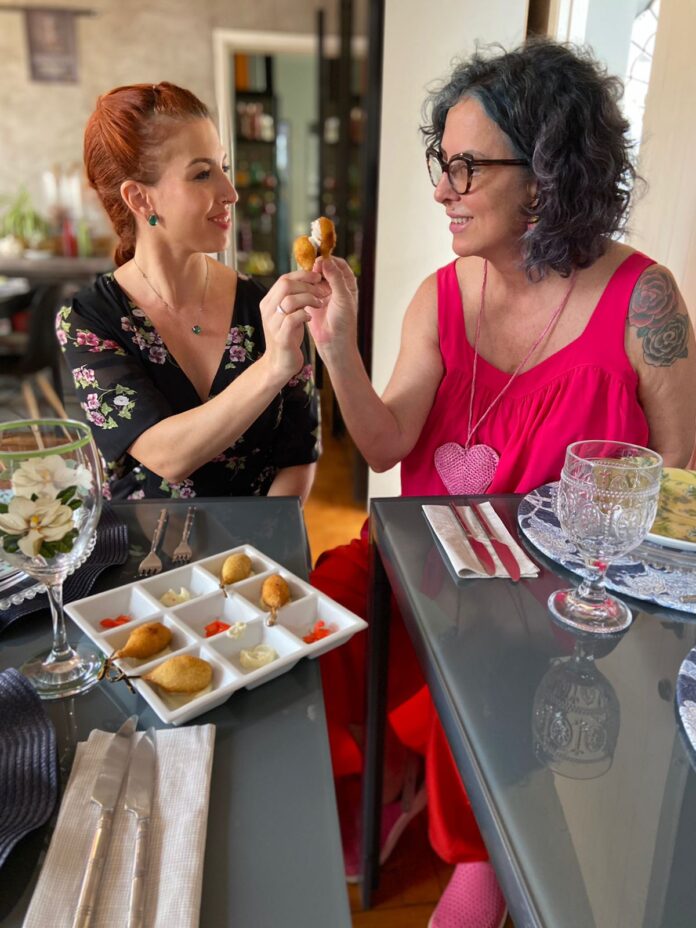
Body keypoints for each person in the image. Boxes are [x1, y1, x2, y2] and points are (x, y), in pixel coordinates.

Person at [306, 39, 696, 928]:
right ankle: (390, 776)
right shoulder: (439, 295)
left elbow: (679, 485)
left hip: (554, 598)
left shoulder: (645, 302)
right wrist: (337, 347)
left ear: (551, 172)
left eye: (468, 167)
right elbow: (383, 444)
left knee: (477, 664)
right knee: (312, 614)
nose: (443, 189)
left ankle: (476, 848)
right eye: (442, 163)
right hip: (421, 565)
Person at [58, 82, 323, 501]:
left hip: (260, 556)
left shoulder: (267, 307)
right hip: (146, 557)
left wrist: (262, 556)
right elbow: (167, 455)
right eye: (202, 173)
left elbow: (298, 455)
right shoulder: (88, 321)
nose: (231, 193)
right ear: (140, 198)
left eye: (224, 168)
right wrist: (272, 367)